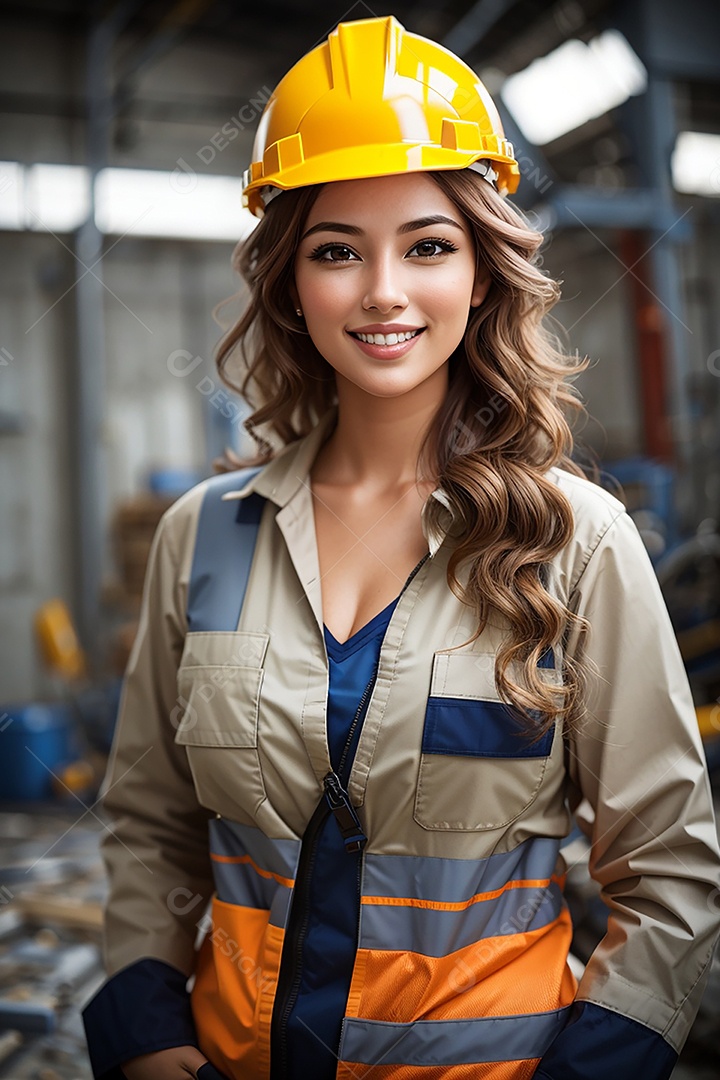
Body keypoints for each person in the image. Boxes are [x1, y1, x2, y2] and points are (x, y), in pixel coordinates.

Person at [82, 14, 720, 1080]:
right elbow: (150, 827)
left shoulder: (573, 544)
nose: (383, 289)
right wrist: (142, 1019)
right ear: (291, 280)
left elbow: (671, 875)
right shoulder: (210, 536)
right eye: (338, 250)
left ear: (481, 273)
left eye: (427, 245)